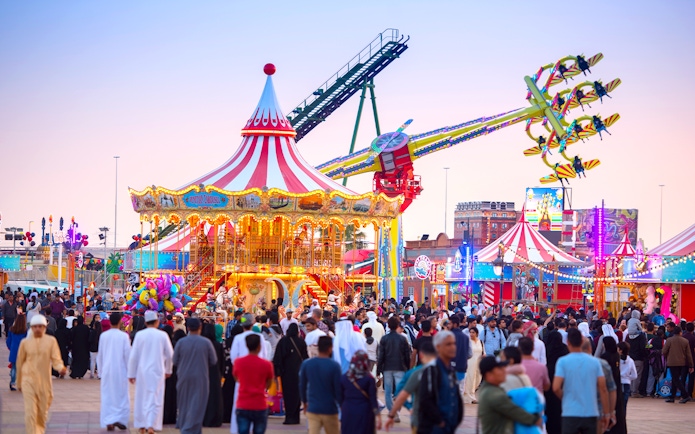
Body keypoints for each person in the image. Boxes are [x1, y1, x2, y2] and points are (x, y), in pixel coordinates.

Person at [16, 314, 67, 434]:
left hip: (44, 382)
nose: (38, 329)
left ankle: (39, 430)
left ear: (44, 327)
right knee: (30, 412)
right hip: (28, 381)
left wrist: (60, 368)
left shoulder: (51, 341)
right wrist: (19, 382)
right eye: (35, 327)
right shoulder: (25, 343)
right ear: (31, 328)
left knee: (42, 412)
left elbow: (56, 359)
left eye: (40, 326)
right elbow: (20, 363)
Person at [553, 328, 610, 434]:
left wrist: (566, 398)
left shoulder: (563, 362)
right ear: (581, 342)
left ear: (568, 342)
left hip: (570, 412)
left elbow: (556, 387)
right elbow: (603, 388)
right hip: (591, 412)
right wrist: (607, 413)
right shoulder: (595, 362)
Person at [127, 310, 175, 434]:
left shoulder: (139, 335)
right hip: (158, 371)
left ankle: (142, 425)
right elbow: (170, 355)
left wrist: (131, 373)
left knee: (141, 397)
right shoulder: (162, 335)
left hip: (142, 371)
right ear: (157, 322)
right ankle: (151, 426)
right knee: (155, 398)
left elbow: (133, 356)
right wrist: (168, 370)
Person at [173, 318, 218, 434]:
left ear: (188, 328)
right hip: (201, 376)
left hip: (183, 376)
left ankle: (184, 425)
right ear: (200, 327)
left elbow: (175, 360)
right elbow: (213, 360)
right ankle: (192, 428)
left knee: (183, 402)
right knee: (198, 403)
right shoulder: (206, 342)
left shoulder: (181, 342)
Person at [477, 355, 542, 434]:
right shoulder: (494, 395)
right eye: (500, 369)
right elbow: (515, 411)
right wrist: (535, 419)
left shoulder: (487, 389)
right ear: (489, 375)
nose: (504, 370)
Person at [418, 330, 463, 434]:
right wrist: (439, 421)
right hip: (434, 428)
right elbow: (425, 399)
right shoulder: (432, 369)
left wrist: (456, 420)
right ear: (438, 347)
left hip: (448, 427)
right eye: (448, 344)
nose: (453, 347)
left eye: (454, 344)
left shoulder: (450, 371)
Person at [229, 313, 269, 434]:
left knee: (239, 403)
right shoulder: (260, 337)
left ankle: (237, 430)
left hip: (242, 376)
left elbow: (233, 358)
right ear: (253, 323)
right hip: (258, 377)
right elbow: (265, 357)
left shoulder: (238, 338)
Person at [299, 336, 342, 434]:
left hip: (313, 408)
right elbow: (338, 389)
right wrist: (341, 404)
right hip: (330, 409)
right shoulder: (334, 366)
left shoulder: (307, 364)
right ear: (330, 348)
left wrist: (305, 402)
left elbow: (302, 385)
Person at [234, 334, 274, 434]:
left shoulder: (238, 362)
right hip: (260, 404)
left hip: (243, 403)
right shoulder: (266, 364)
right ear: (259, 346)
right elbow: (269, 382)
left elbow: (236, 378)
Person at [97, 312, 130, 431]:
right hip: (120, 371)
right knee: (121, 395)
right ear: (120, 321)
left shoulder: (104, 336)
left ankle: (109, 421)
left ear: (109, 322)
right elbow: (127, 355)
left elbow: (100, 355)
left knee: (107, 396)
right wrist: (130, 372)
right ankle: (119, 418)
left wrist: (100, 372)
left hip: (106, 370)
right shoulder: (124, 336)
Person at [273, 323, 307, 425]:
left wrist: (278, 371)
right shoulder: (301, 342)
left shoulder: (283, 341)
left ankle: (289, 417)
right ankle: (296, 417)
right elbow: (305, 357)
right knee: (297, 394)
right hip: (299, 372)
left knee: (288, 395)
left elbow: (278, 358)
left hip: (287, 373)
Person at [377, 316, 411, 420]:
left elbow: (381, 355)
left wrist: (378, 370)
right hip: (400, 367)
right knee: (400, 390)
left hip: (387, 368)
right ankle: (396, 410)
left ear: (388, 326)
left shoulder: (384, 339)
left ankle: (392, 411)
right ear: (397, 326)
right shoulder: (402, 338)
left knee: (388, 391)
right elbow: (407, 355)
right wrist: (408, 368)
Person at [339, 350, 381, 433]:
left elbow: (339, 398)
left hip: (348, 411)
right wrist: (378, 415)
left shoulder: (344, 378)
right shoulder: (369, 379)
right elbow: (373, 399)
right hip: (365, 412)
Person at [662, 325, 694, 403]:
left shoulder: (669, 340)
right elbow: (688, 354)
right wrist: (691, 365)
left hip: (672, 362)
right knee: (676, 379)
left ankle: (685, 395)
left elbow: (664, 351)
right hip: (682, 363)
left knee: (675, 379)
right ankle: (673, 396)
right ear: (680, 332)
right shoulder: (685, 341)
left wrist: (668, 357)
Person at [600, 337, 626, 434]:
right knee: (618, 410)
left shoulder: (604, 357)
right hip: (617, 386)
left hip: (607, 386)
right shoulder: (616, 355)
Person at [202, 322, 224, 427]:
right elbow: (222, 362)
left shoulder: (202, 344)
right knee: (214, 397)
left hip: (203, 373)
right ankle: (214, 418)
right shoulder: (218, 345)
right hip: (215, 374)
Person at [462, 326, 485, 404]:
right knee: (470, 379)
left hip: (478, 363)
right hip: (469, 363)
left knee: (478, 379)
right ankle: (470, 397)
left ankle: (472, 395)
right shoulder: (468, 342)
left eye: (473, 332)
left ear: (477, 334)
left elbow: (483, 352)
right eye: (470, 332)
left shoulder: (480, 342)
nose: (471, 334)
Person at [7, 313, 28, 391]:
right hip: (22, 351)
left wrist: (10, 347)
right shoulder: (25, 330)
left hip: (14, 350)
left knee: (14, 368)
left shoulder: (12, 329)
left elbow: (8, 341)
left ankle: (12, 382)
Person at [449, 315, 471, 388]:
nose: (448, 325)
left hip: (450, 369)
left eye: (450, 323)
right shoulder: (466, 337)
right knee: (460, 391)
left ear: (455, 324)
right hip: (462, 368)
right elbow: (470, 354)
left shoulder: (449, 336)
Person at [617, 341, 637, 412]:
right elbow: (634, 375)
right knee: (624, 404)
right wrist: (628, 378)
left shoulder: (617, 360)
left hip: (618, 383)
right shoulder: (631, 361)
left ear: (620, 350)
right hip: (626, 383)